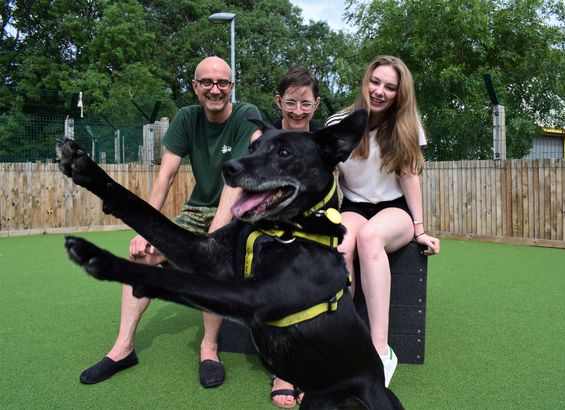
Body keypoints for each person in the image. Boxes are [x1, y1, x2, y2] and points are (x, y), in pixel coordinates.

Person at [79, 56, 262, 389]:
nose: (215, 89)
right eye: (207, 82)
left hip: (236, 212)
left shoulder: (246, 116)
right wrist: (144, 230)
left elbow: (234, 181)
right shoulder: (186, 118)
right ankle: (124, 348)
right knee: (141, 256)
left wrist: (214, 238)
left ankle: (208, 348)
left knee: (214, 260)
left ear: (232, 87)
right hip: (196, 210)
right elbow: (165, 175)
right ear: (195, 86)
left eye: (223, 83)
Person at [325, 55, 440, 388]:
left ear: (399, 93)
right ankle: (342, 341)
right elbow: (326, 172)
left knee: (370, 238)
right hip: (354, 207)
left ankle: (379, 349)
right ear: (366, 81)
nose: (379, 91)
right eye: (375, 82)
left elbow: (409, 177)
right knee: (343, 244)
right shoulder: (339, 123)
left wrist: (420, 230)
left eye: (390, 87)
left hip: (395, 210)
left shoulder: (407, 126)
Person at [268, 66, 321, 408]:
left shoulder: (323, 142)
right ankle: (284, 368)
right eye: (291, 103)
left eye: (306, 104)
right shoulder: (264, 140)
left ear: (316, 105)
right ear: (278, 102)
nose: (298, 112)